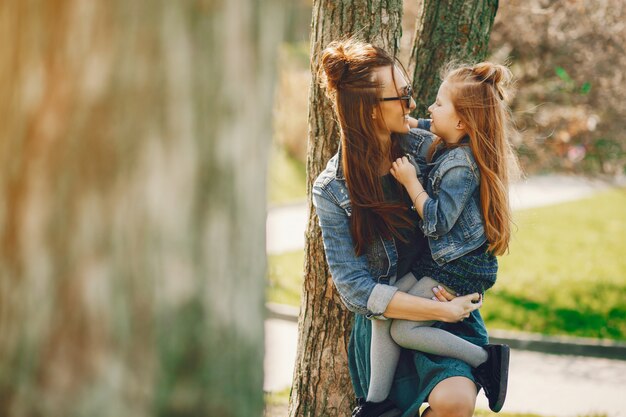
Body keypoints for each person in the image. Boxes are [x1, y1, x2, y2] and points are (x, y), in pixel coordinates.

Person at [312, 38, 497, 417]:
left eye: (409, 92)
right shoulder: (332, 189)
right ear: (369, 111)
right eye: (401, 97)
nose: (413, 104)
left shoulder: (431, 149)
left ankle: (485, 363)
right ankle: (376, 405)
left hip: (446, 307)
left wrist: (461, 292)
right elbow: (355, 290)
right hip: (390, 322)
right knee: (385, 403)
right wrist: (440, 311)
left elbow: (472, 229)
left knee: (456, 401)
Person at [363, 62, 519, 416]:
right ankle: (374, 404)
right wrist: (410, 124)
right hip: (442, 261)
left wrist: (410, 183)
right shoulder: (451, 145)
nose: (428, 109)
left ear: (461, 122)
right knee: (382, 307)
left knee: (403, 329)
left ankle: (485, 359)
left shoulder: (461, 167)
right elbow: (426, 128)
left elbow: (436, 222)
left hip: (459, 268)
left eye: (438, 104)